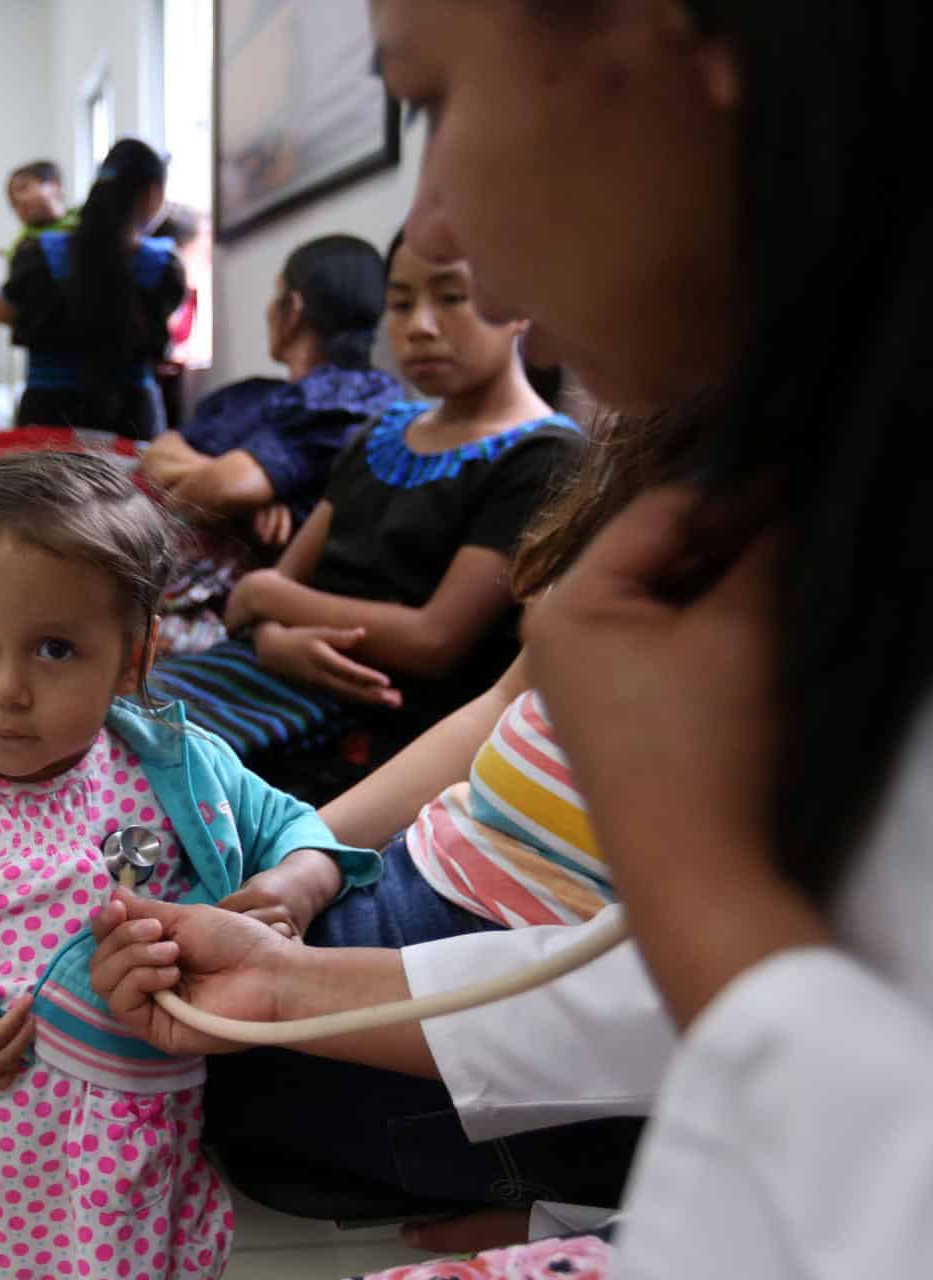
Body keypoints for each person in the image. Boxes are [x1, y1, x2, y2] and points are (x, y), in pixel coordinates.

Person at [95, 0, 933, 1274]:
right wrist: (303, 924)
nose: (435, 226)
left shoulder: (589, 481)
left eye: (432, 102)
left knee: (97, 1040)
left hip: (485, 959)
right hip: (433, 908)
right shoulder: (707, 474)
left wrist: (691, 869)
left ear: (678, 37)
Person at [0, 450, 381, 1279]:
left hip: (129, 1177)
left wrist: (292, 888)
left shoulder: (180, 770)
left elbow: (299, 830)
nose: (5, 686)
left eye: (56, 650)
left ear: (133, 659)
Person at [148, 233, 580, 772]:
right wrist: (271, 637)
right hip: (265, 668)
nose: (419, 325)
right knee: (95, 720)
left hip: (378, 718)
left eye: (451, 298)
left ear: (517, 307)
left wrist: (263, 597)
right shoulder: (380, 433)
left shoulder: (543, 454)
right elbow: (264, 596)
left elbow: (433, 640)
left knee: (145, 764)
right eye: (400, 303)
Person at [141, 235, 402, 543]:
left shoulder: (354, 401)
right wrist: (252, 501)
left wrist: (225, 490)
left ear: (293, 309)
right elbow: (157, 455)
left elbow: (221, 490)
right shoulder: (248, 395)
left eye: (275, 293)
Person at [0, 139, 186, 440]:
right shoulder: (163, 267)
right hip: (129, 418)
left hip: (47, 418)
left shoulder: (40, 255)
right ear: (153, 194)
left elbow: (1, 312)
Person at [5, 159, 79, 249]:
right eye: (12, 198)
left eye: (24, 188)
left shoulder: (89, 218)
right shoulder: (21, 248)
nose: (19, 199)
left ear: (55, 184)